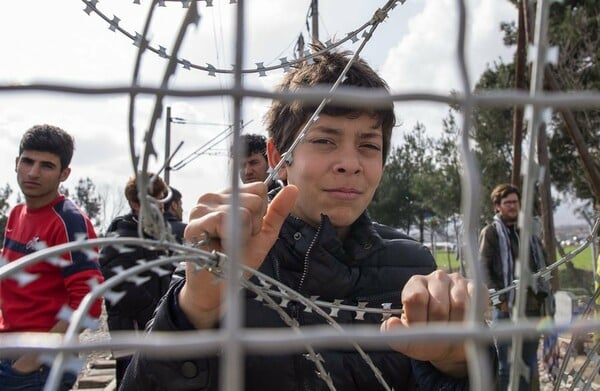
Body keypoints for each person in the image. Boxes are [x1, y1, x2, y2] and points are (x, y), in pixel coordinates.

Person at [121, 46, 485, 390]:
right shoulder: (220, 255)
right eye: (325, 140)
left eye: (369, 145)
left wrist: (457, 366)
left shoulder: (411, 265)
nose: (350, 163)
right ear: (279, 156)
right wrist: (193, 310)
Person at [0, 124, 104, 391]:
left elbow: (88, 303)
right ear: (16, 163)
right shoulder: (16, 214)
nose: (33, 172)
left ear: (64, 174)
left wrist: (30, 362)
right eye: (28, 161)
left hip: (37, 368)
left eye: (46, 166)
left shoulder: (69, 221)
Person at [99, 172, 175, 387]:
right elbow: (123, 287)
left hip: (152, 329)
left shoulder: (153, 236)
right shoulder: (121, 238)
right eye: (155, 202)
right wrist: (158, 316)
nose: (161, 207)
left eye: (162, 201)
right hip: (133, 333)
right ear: (135, 203)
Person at [479, 183, 551, 391]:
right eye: (507, 202)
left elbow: (542, 265)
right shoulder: (491, 233)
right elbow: (483, 269)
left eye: (515, 202)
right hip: (506, 310)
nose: (512, 206)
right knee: (506, 366)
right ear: (497, 207)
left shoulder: (528, 232)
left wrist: (545, 297)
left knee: (528, 364)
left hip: (531, 309)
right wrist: (499, 302)